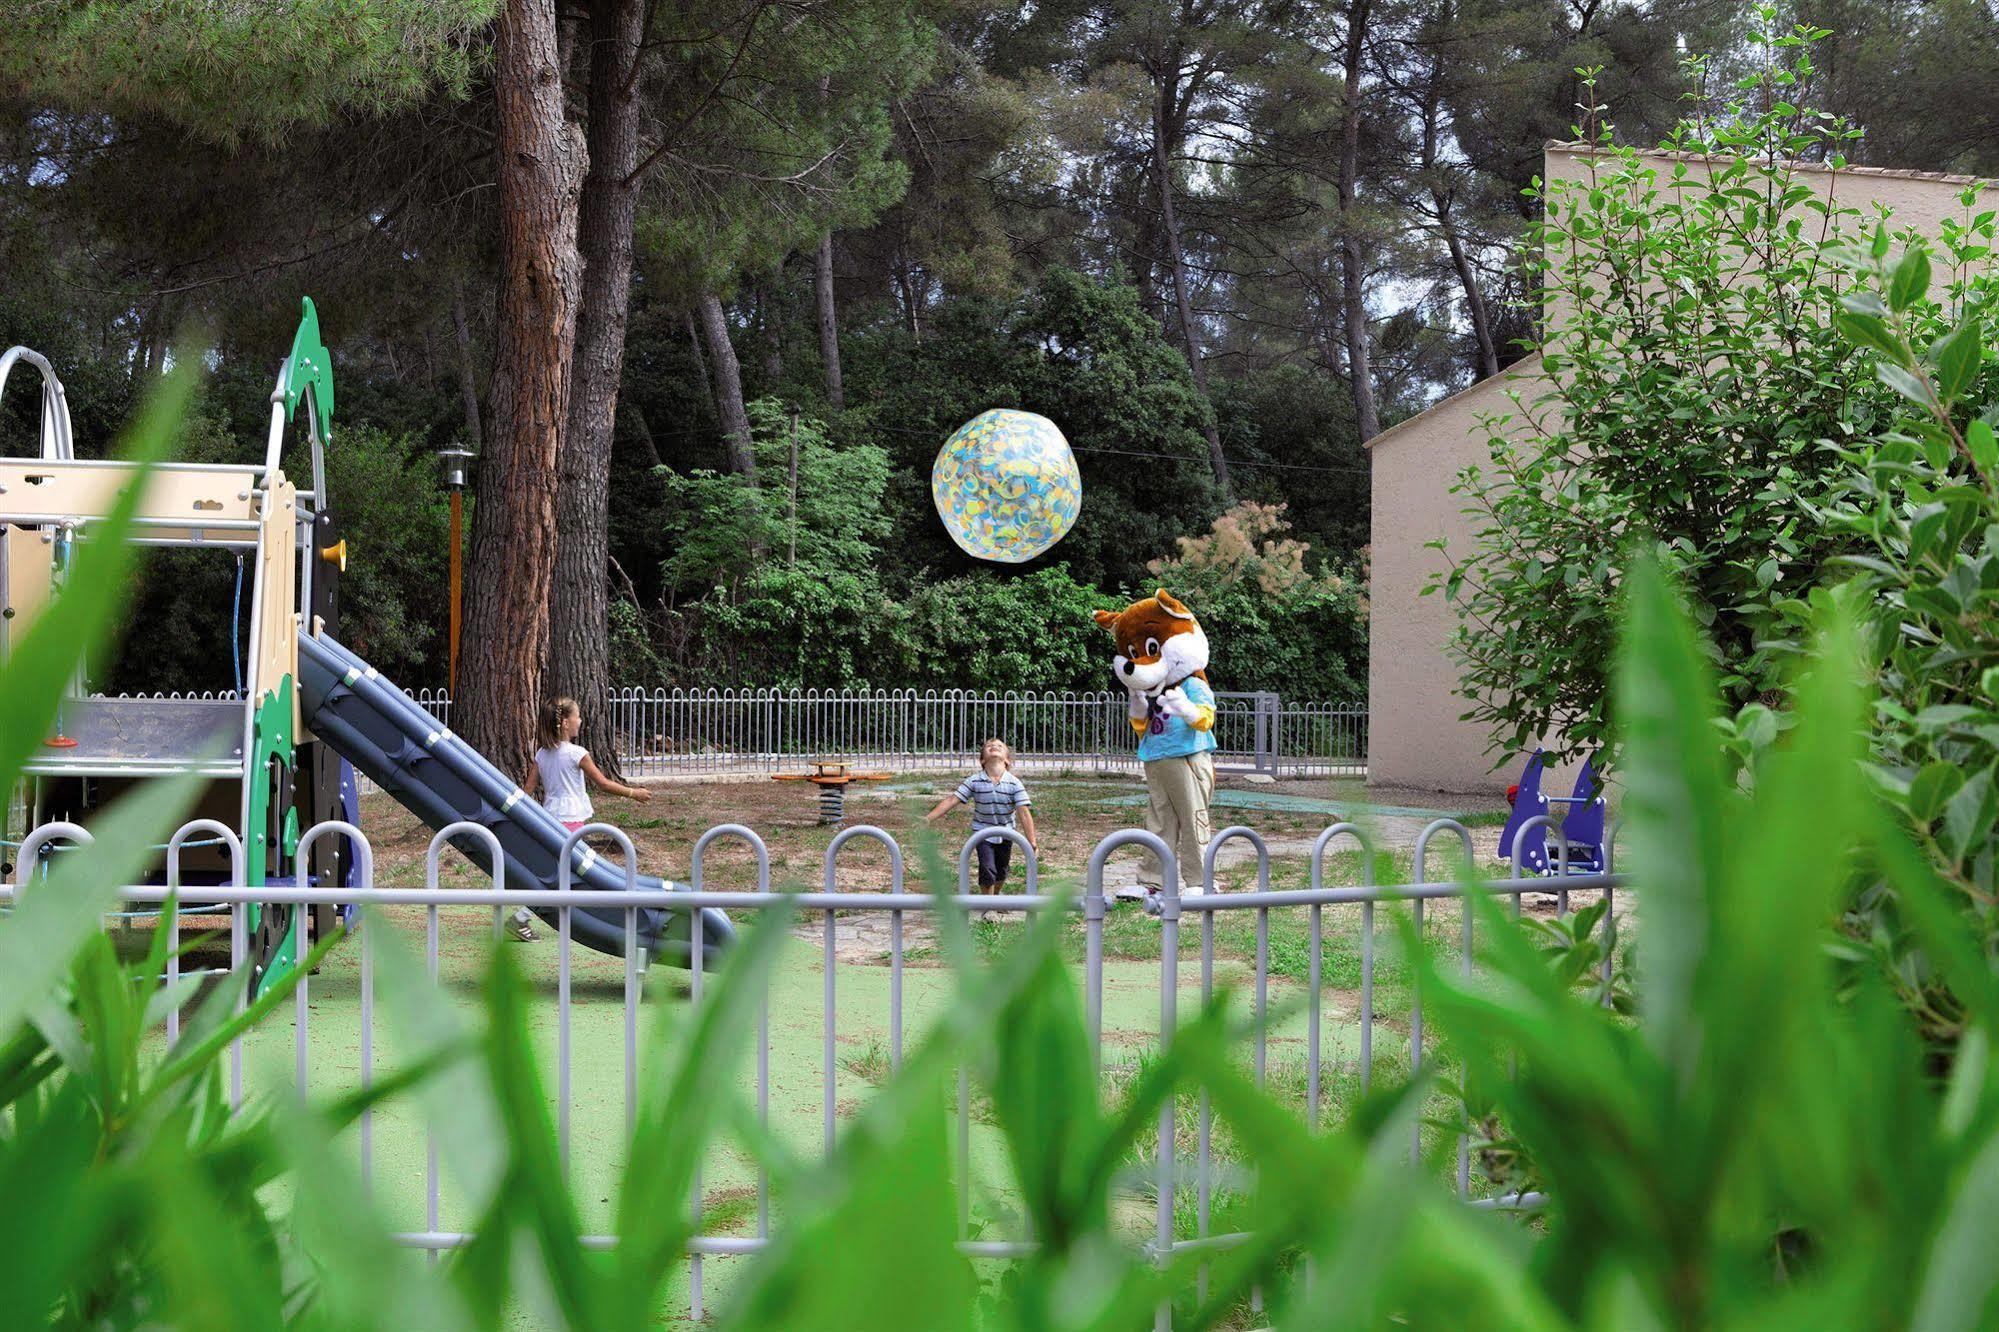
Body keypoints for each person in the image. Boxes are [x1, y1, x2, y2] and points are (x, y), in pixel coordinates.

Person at [507, 697, 653, 942]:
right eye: (577, 717)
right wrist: (633, 793)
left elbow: (527, 790)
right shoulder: (577, 754)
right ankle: (524, 917)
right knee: (572, 875)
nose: (580, 721)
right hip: (572, 821)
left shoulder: (542, 754)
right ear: (565, 723)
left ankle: (532, 916)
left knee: (560, 873)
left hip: (550, 818)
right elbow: (603, 783)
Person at [923, 738, 1037, 893]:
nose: (994, 746)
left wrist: (1032, 842)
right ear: (982, 759)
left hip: (1006, 832)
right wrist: (928, 818)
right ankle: (988, 906)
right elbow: (952, 799)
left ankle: (995, 897)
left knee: (1002, 870)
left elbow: (1024, 812)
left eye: (999, 746)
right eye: (989, 746)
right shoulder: (975, 781)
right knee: (987, 869)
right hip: (982, 832)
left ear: (1007, 760)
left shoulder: (1014, 783)